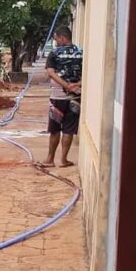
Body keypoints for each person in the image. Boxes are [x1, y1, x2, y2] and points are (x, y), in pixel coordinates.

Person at [40, 25, 83, 168]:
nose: (56, 41)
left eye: (57, 38)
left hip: (57, 97)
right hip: (75, 97)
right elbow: (88, 72)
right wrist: (76, 84)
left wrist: (65, 85)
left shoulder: (54, 53)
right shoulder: (80, 52)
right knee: (69, 129)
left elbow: (51, 72)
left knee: (54, 128)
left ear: (63, 37)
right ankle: (63, 160)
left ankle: (50, 159)